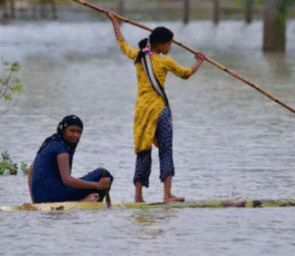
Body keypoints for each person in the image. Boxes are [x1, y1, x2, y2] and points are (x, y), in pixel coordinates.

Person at [108, 11, 205, 203]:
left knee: (143, 150)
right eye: (168, 44)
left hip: (142, 111)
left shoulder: (138, 57)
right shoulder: (165, 60)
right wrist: (199, 61)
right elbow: (185, 74)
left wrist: (114, 22)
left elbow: (122, 44)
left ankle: (138, 196)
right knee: (166, 149)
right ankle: (167, 194)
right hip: (160, 110)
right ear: (160, 45)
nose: (170, 47)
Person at [27, 115, 113, 203]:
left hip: (40, 198)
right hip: (54, 197)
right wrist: (97, 185)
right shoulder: (62, 149)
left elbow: (30, 170)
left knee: (81, 182)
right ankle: (87, 203)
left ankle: (87, 201)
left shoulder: (51, 142)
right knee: (103, 174)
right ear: (63, 130)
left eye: (78, 132)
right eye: (72, 131)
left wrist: (34, 201)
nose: (75, 135)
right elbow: (67, 180)